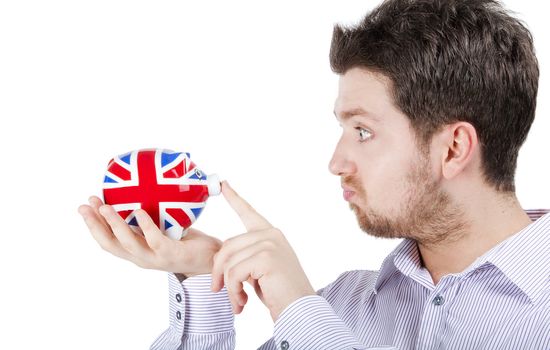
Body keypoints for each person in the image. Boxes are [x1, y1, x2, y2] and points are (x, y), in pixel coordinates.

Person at [78, 0, 550, 348]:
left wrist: (299, 310)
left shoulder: (310, 315)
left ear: (453, 148)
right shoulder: (344, 305)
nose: (336, 162)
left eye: (363, 131)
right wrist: (202, 279)